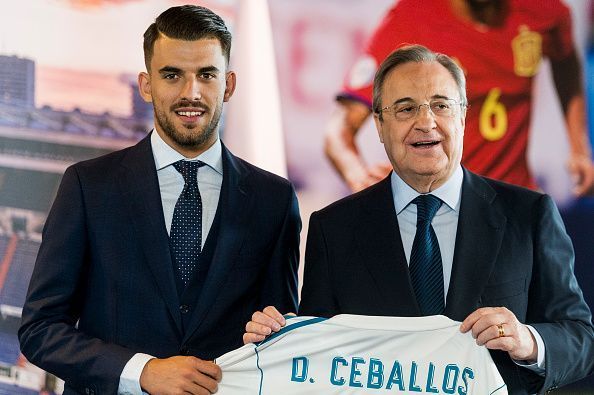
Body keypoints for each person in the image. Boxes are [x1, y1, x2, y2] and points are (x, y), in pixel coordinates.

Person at [245, 45, 594, 394]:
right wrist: (279, 339)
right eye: (405, 108)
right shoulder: (333, 228)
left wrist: (528, 340)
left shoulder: (529, 215)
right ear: (379, 125)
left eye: (441, 105)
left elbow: (580, 338)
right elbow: (317, 355)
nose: (425, 122)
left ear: (462, 117)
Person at [19, 5, 300, 395]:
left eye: (206, 74)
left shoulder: (274, 199)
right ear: (147, 84)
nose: (191, 93)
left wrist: (275, 330)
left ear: (229, 84)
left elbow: (283, 333)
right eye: (172, 75)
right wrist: (142, 371)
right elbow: (41, 329)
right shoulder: (88, 186)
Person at [325, 0, 594, 195]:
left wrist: (579, 148)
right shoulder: (412, 18)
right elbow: (338, 130)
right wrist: (359, 177)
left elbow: (566, 61)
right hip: (440, 213)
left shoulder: (544, 13)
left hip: (516, 204)